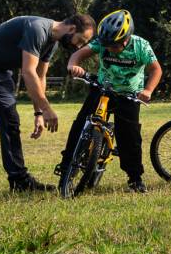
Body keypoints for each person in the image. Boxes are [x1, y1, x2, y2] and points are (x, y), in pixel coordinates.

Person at [0, 14, 95, 194]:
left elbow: (40, 76)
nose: (79, 46)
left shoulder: (51, 42)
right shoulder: (37, 29)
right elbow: (28, 72)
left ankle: (19, 180)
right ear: (72, 29)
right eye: (81, 40)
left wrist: (39, 113)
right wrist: (47, 108)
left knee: (11, 122)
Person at [59, 10, 161, 193]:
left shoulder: (141, 46)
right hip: (102, 89)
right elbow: (78, 55)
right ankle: (67, 168)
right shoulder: (102, 42)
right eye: (106, 45)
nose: (108, 48)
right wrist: (73, 65)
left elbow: (156, 70)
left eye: (113, 46)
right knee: (81, 124)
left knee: (129, 137)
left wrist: (147, 90)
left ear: (125, 40)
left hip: (129, 95)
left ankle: (135, 179)